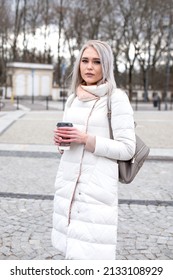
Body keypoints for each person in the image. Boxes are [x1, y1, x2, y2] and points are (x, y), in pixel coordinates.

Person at [52, 40, 136, 260]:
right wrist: (62, 143)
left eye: (97, 62)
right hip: (68, 189)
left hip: (96, 191)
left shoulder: (116, 99)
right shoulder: (72, 99)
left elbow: (128, 149)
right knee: (70, 254)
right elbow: (67, 149)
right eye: (85, 60)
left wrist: (86, 139)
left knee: (91, 256)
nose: (89, 67)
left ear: (106, 66)